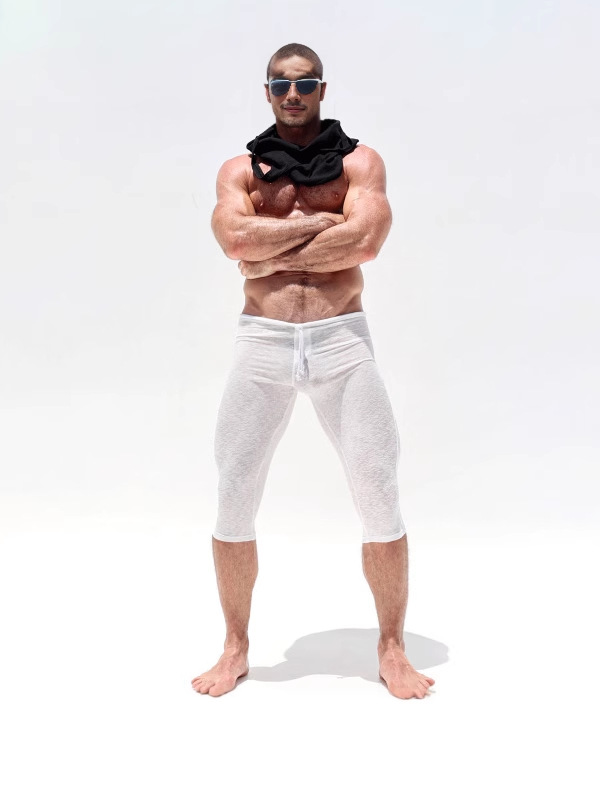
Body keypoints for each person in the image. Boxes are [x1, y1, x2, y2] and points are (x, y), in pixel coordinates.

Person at [191, 43, 435, 700]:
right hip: (262, 343)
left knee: (378, 491)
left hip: (341, 341)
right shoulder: (239, 169)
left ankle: (391, 648)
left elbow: (367, 241)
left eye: (303, 84)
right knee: (233, 494)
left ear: (322, 89)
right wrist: (324, 228)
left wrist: (264, 253)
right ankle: (236, 646)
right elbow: (234, 240)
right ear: (267, 91)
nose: (292, 94)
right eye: (280, 84)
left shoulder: (360, 163)